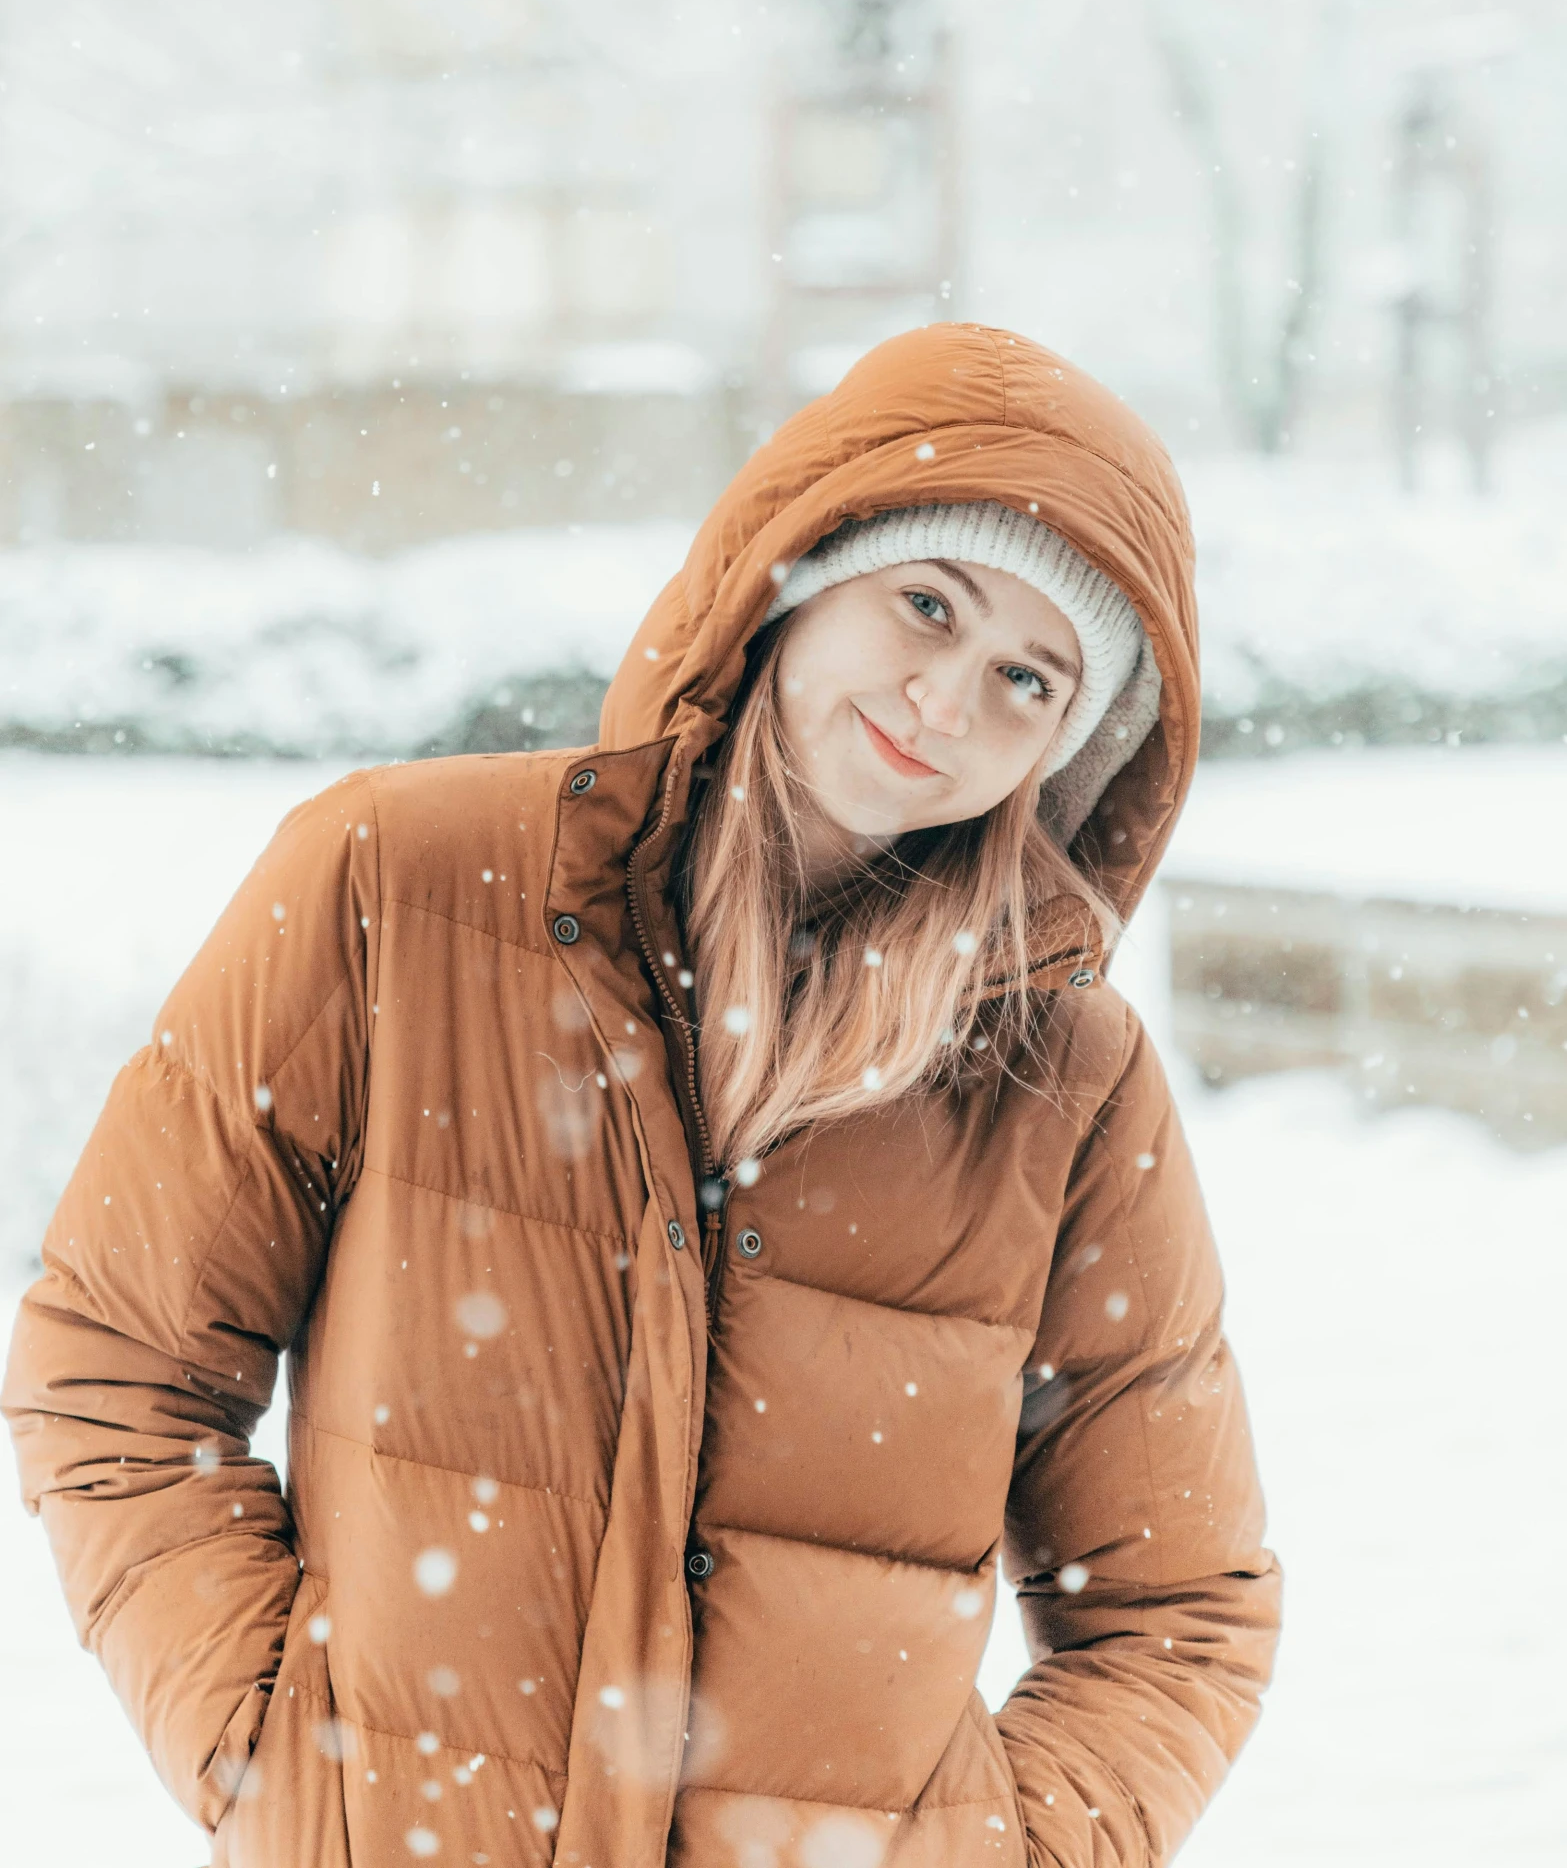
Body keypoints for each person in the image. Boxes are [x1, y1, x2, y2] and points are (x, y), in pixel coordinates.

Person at [4, 322, 1280, 1868]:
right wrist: (282, 1763)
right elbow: (119, 1364)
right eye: (925, 604)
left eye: (1026, 678)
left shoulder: (1060, 1085)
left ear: (1062, 752)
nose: (944, 699)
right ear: (802, 570)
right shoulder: (398, 886)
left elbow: (1175, 1603)